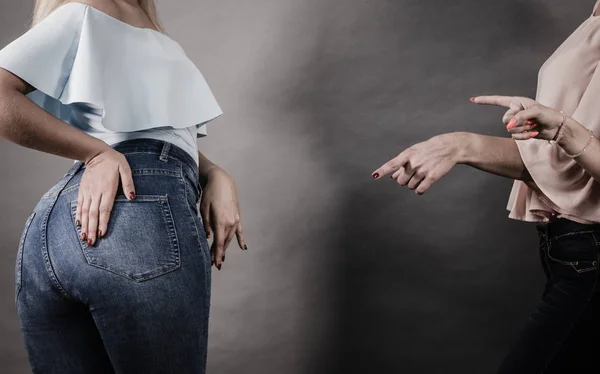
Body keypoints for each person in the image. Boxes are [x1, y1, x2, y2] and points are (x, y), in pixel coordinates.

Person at [0, 1, 246, 373]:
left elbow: (157, 130)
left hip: (58, 226)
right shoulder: (86, 10)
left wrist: (213, 173)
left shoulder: (137, 20)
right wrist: (96, 154)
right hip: (133, 212)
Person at [372, 1, 600, 373]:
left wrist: (561, 129)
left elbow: (571, 141)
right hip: (569, 252)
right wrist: (458, 144)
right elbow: (565, 166)